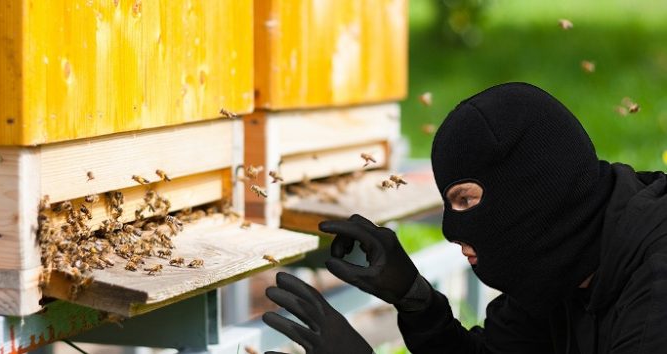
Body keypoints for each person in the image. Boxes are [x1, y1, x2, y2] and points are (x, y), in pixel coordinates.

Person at [262, 82, 667, 353]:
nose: (452, 230)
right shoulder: (560, 268)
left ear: (530, 187)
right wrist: (416, 300)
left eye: (466, 200)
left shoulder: (654, 298)